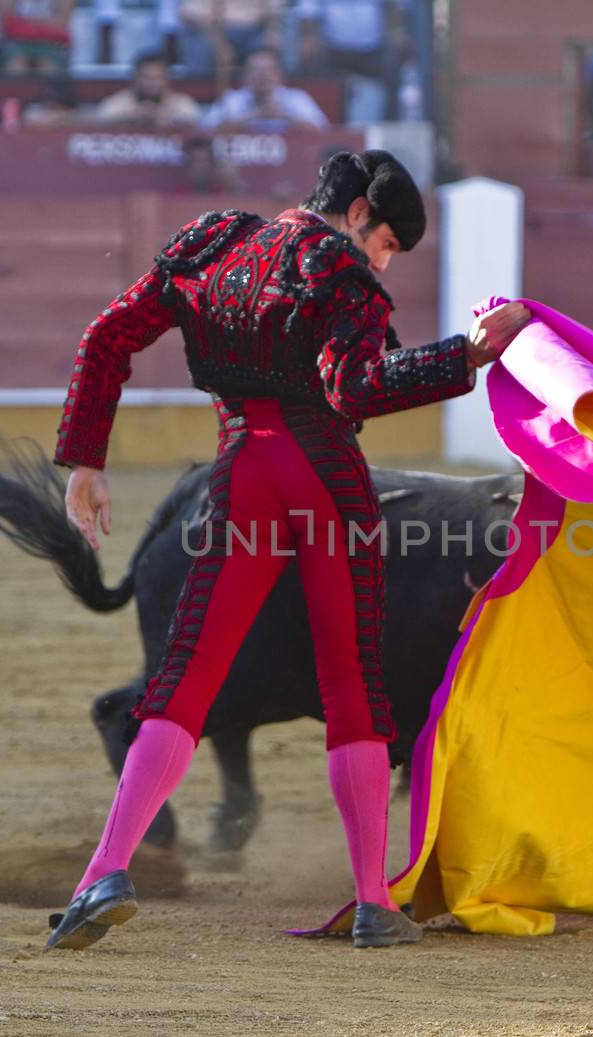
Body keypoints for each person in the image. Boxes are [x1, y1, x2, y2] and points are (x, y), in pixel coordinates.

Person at [45, 150, 532, 952]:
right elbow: (357, 389)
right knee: (352, 684)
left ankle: (104, 869)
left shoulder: (211, 247)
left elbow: (106, 338)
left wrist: (87, 459)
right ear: (360, 218)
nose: (380, 264)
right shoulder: (340, 273)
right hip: (326, 479)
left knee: (185, 680)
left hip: (240, 474)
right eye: (385, 247)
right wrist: (469, 353)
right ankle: (374, 902)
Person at [199, 46, 327, 132]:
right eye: (255, 70)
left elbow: (323, 131)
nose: (262, 75)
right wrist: (254, 116)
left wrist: (284, 117)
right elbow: (206, 131)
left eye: (268, 70)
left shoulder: (296, 98)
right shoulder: (231, 100)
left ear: (279, 75)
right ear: (245, 75)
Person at [95, 51, 201, 127]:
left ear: (167, 80)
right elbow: (104, 118)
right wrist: (133, 117)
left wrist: (164, 117)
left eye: (157, 78)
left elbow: (192, 119)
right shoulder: (118, 102)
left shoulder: (182, 103)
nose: (151, 83)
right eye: (146, 77)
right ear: (135, 78)